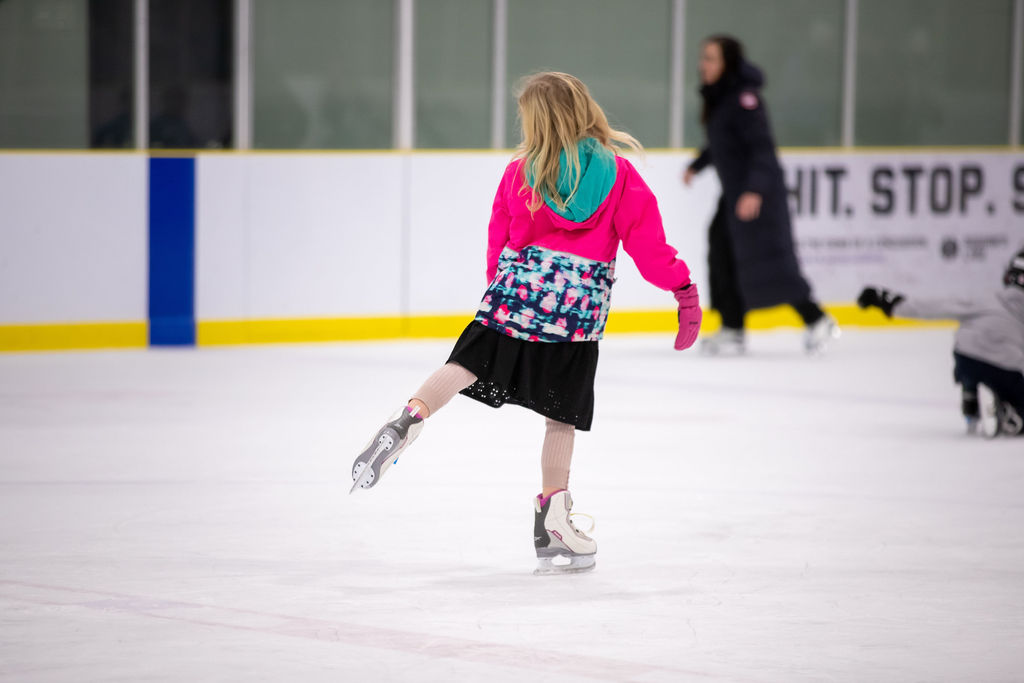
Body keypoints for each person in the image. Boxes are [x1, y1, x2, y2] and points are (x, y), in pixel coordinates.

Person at [350, 72, 702, 575]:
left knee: (466, 362)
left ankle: (409, 418)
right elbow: (649, 248)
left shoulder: (521, 173)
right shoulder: (620, 175)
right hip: (576, 310)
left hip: (517, 293)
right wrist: (683, 291)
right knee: (560, 414)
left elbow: (502, 237)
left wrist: (501, 296)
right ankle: (554, 522)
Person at [682, 35, 837, 355]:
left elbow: (762, 150)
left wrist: (754, 190)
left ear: (728, 63)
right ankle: (733, 329)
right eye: (703, 58)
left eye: (710, 58)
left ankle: (818, 320)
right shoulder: (724, 98)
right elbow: (723, 144)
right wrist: (698, 165)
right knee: (722, 255)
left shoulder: (744, 99)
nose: (703, 65)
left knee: (772, 264)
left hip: (758, 196)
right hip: (736, 194)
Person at [857, 246, 1024, 438]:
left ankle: (971, 399)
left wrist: (890, 301)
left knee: (973, 362)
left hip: (966, 357)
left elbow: (935, 307)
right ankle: (1011, 415)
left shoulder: (987, 298)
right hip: (1005, 365)